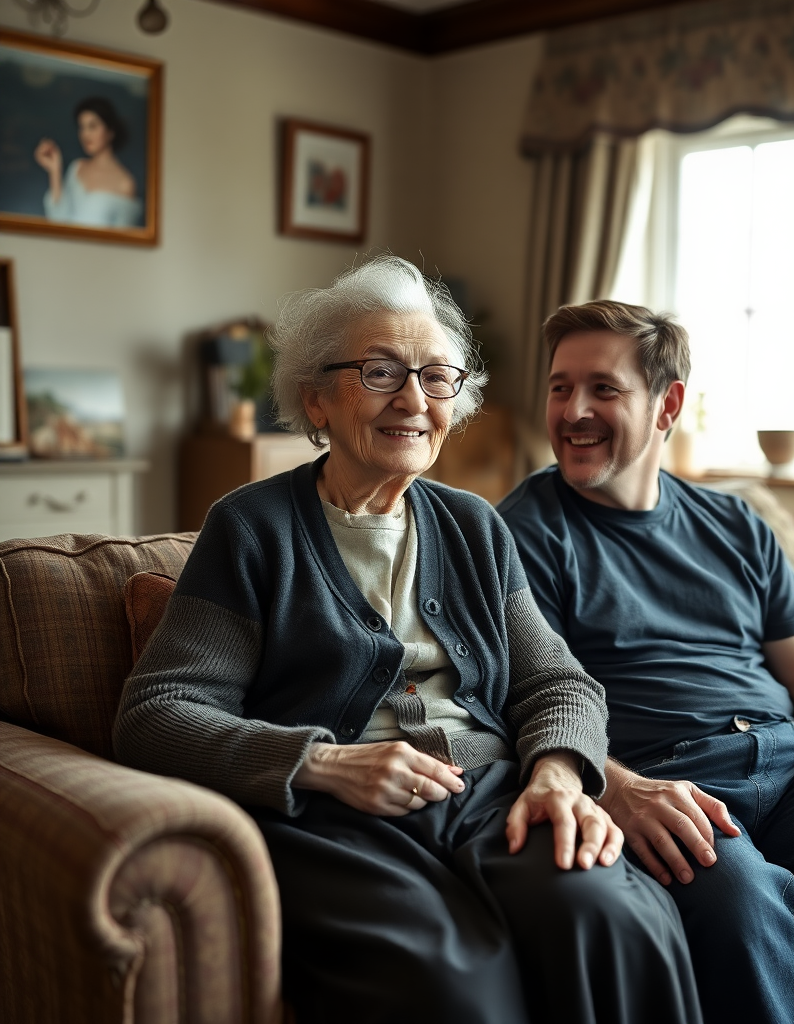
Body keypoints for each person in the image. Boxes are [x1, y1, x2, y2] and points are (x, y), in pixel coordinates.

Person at [113, 260, 701, 1024]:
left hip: (492, 799)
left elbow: (557, 683)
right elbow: (158, 711)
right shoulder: (252, 528)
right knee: (459, 988)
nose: (414, 400)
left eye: (436, 376)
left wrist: (558, 776)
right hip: (331, 823)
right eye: (381, 371)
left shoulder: (473, 525)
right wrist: (323, 764)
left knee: (613, 918)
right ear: (315, 397)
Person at [497, 299, 794, 1024]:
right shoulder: (523, 534)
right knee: (740, 900)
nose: (573, 410)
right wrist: (617, 789)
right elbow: (521, 697)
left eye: (603, 388)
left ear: (667, 405)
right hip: (670, 785)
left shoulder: (734, 524)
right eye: (559, 387)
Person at [34, 97, 142, 228]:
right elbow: (58, 220)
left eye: (92, 126)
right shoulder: (77, 167)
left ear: (110, 131)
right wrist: (55, 170)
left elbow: (124, 241)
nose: (85, 134)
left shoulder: (125, 183)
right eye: (82, 127)